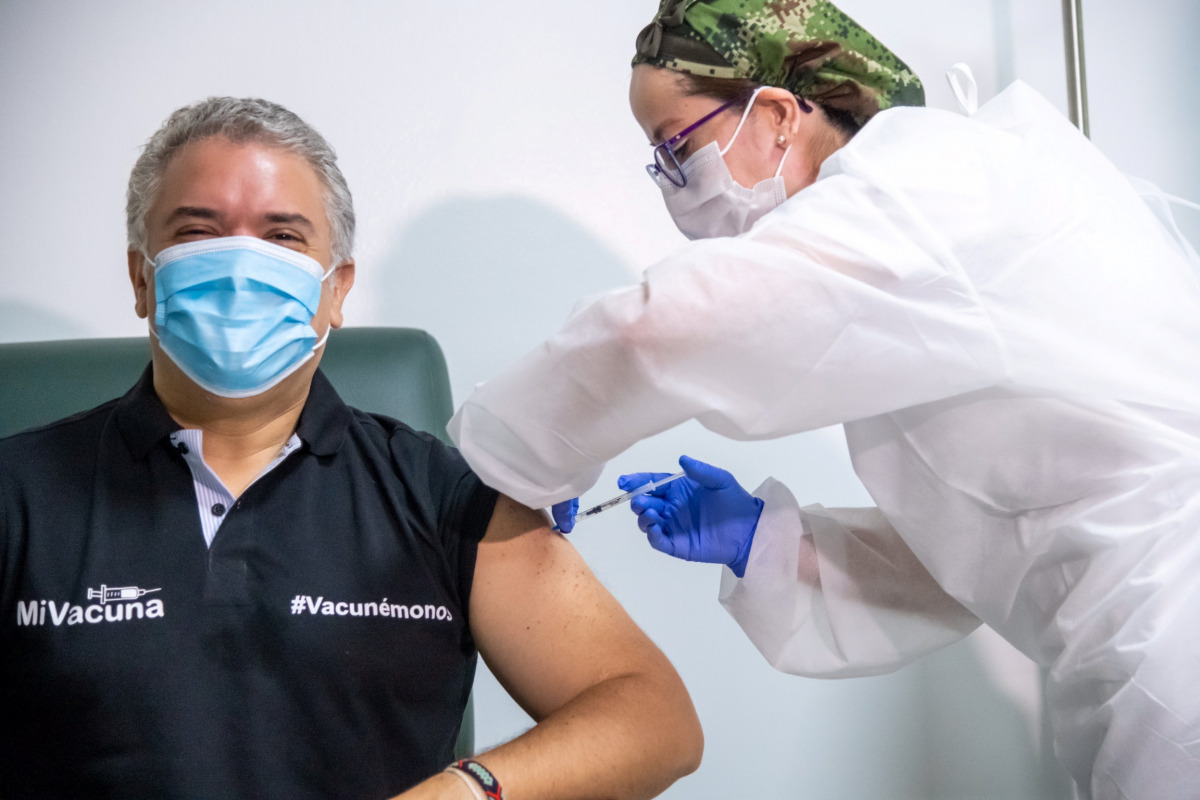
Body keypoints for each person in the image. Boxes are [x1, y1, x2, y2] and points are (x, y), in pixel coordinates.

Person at [447, 1, 1200, 798]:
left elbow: (660, 331)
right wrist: (767, 544)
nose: (671, 186)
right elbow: (988, 549)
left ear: (775, 114)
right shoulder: (932, 227)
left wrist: (503, 463)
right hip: (1138, 644)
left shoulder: (921, 191)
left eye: (676, 149)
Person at [0, 96, 703, 800]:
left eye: (282, 238)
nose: (242, 269)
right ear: (140, 278)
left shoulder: (439, 493)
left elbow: (651, 716)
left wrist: (465, 791)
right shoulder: (18, 492)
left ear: (336, 289)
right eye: (197, 232)